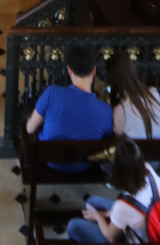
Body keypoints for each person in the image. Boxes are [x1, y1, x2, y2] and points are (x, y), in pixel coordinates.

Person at [69, 137, 160, 243]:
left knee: (73, 226)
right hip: (157, 223)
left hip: (142, 236)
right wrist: (108, 214)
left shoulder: (122, 206)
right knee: (92, 201)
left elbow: (111, 237)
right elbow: (136, 211)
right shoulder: (150, 171)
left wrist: (98, 217)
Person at [26, 43, 113, 171]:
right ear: (94, 71)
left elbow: (30, 129)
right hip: (83, 166)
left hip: (50, 160)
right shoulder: (106, 111)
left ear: (70, 70)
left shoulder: (52, 93)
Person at [109, 54, 160, 140]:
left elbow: (118, 140)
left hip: (137, 152)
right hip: (158, 149)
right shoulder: (154, 93)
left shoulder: (121, 110)